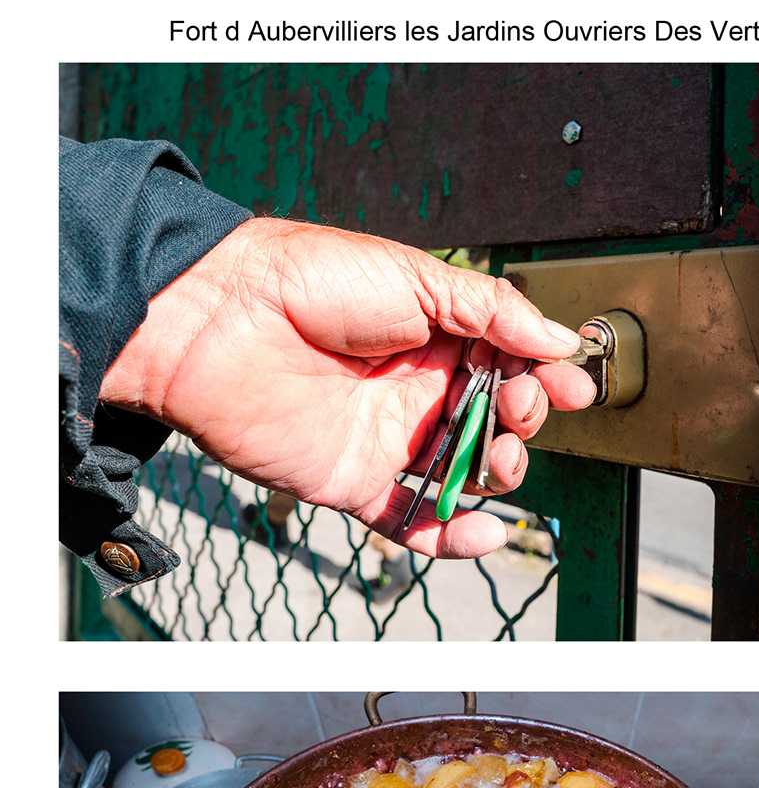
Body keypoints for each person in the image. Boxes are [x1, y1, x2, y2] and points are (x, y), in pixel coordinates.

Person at [59, 136, 596, 595]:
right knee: (354, 440)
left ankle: (339, 541)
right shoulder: (431, 193)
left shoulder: (352, 172)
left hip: (388, 333)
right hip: (370, 333)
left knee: (365, 444)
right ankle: (348, 545)